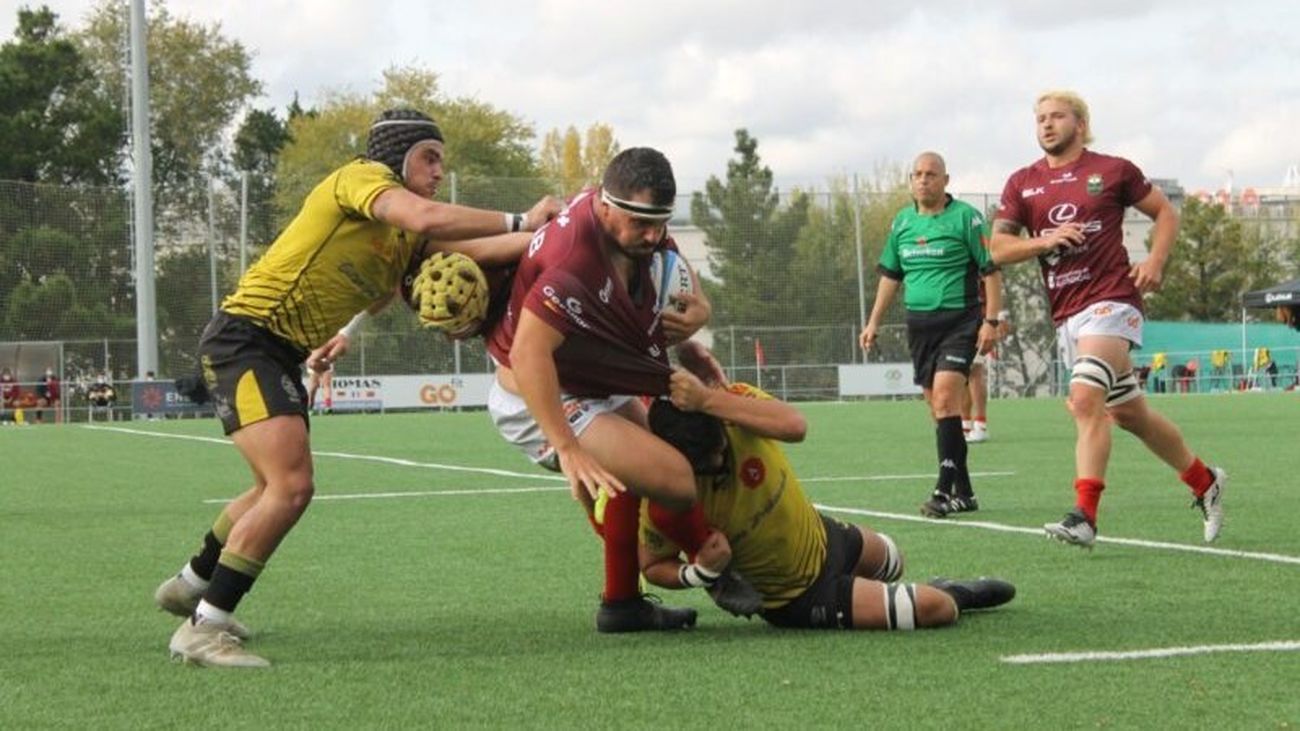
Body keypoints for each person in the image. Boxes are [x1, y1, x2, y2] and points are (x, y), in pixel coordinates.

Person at [154, 108, 562, 668]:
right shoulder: (361, 178)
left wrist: (548, 239)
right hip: (244, 341)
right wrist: (522, 218)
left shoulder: (403, 236)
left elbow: (466, 253)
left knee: (270, 487)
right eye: (429, 157)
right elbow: (429, 216)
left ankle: (192, 584)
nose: (439, 170)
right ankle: (204, 628)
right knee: (291, 487)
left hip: (274, 350)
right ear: (396, 156)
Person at [485, 147, 717, 633]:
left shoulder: (627, 217)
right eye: (641, 224)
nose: (652, 235)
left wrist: (698, 315)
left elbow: (673, 269)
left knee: (657, 461)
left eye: (660, 222)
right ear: (607, 208)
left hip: (590, 377)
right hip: (539, 392)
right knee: (674, 479)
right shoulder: (574, 260)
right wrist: (567, 447)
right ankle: (708, 565)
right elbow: (529, 355)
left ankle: (623, 603)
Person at [989, 90, 1226, 548]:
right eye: (1040, 118)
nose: (1046, 124)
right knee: (1130, 414)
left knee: (1084, 400)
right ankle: (1205, 481)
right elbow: (997, 248)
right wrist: (1044, 241)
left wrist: (1155, 261)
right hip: (1067, 314)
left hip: (1112, 300)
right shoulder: (1022, 182)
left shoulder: (1113, 170)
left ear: (1080, 124)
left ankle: (1084, 516)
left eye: (1057, 116)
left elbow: (1165, 212)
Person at [639, 344, 1016, 630]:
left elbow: (795, 426)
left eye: (721, 449)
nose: (722, 461)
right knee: (937, 609)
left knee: (894, 560)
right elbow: (652, 565)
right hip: (797, 597)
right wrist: (700, 573)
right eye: (707, 465)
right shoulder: (665, 489)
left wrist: (708, 399)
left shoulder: (729, 406)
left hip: (823, 536)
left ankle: (894, 592)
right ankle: (951, 592)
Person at [859, 152, 1004, 519]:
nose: (923, 180)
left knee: (944, 400)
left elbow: (990, 270)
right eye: (918, 174)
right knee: (940, 412)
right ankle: (965, 493)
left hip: (960, 322)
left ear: (946, 180)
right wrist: (873, 321)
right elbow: (891, 276)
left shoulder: (967, 218)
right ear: (911, 180)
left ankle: (942, 491)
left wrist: (991, 321)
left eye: (931, 174)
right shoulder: (902, 222)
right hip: (919, 326)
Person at [963, 307, 1011, 443]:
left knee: (974, 368)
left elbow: (993, 292)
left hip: (978, 319)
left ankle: (980, 425)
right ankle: (965, 426)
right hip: (956, 318)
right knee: (960, 372)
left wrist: (999, 317)